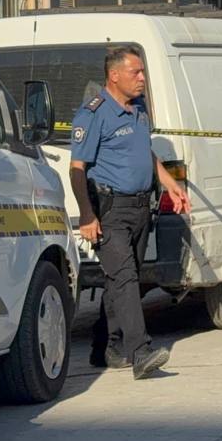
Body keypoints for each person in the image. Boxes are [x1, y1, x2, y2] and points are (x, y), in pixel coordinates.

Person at [69, 47, 188, 379]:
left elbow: (144, 152)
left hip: (139, 208)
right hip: (110, 211)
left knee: (124, 283)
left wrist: (169, 183)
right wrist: (87, 215)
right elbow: (77, 169)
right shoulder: (93, 114)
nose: (142, 78)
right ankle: (140, 352)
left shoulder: (138, 109)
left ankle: (105, 345)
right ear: (114, 75)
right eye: (136, 72)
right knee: (124, 278)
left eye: (142, 71)